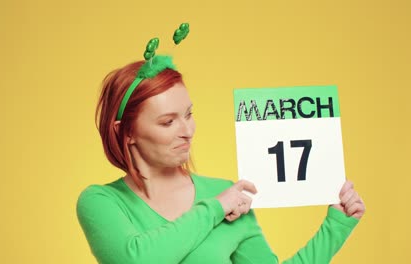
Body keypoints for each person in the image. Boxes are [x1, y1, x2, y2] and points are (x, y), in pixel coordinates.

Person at [76, 55, 366, 264]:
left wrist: (336, 226)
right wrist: (215, 209)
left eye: (189, 115)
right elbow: (137, 260)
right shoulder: (101, 202)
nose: (187, 131)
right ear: (126, 132)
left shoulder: (227, 194)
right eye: (168, 122)